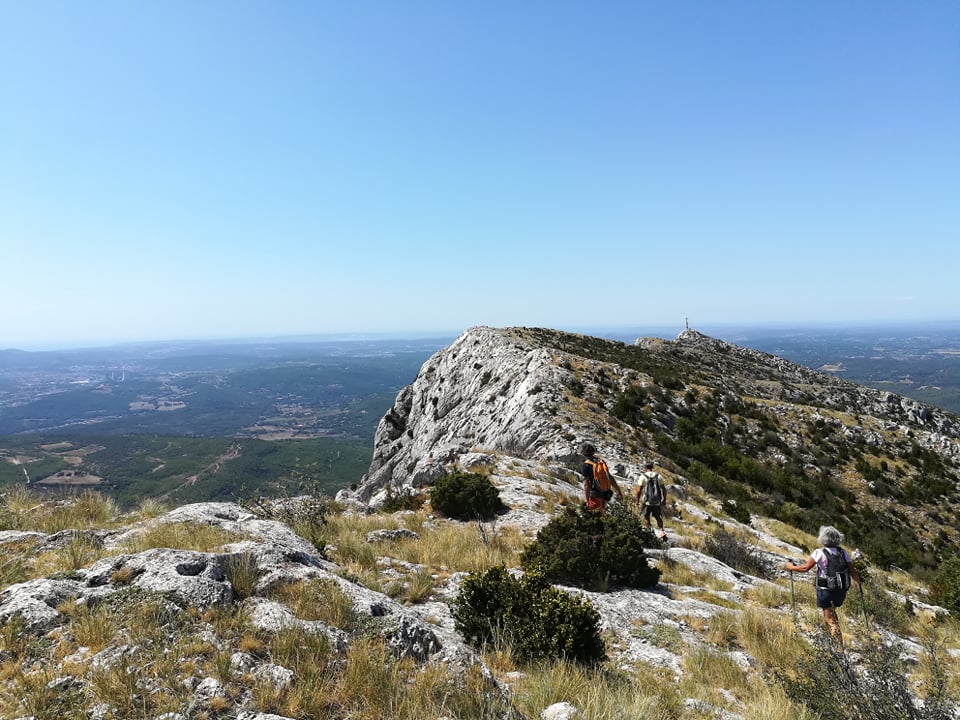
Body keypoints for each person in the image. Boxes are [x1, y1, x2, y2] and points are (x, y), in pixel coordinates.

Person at [785, 525, 861, 647]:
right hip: (841, 591)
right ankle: (827, 641)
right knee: (830, 614)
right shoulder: (842, 552)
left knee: (831, 620)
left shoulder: (819, 553)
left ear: (823, 538)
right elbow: (852, 571)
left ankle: (839, 650)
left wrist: (791, 567)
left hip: (826, 591)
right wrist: (859, 581)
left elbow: (805, 568)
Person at [580, 443, 624, 513]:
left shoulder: (586, 465)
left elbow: (586, 484)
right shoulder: (601, 462)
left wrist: (587, 500)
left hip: (594, 495)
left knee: (594, 517)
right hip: (605, 495)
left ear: (583, 453)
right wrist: (618, 490)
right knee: (602, 515)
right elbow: (609, 477)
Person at [633, 461, 668, 539]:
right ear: (652, 467)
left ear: (645, 468)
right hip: (657, 501)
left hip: (647, 502)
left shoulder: (643, 477)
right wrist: (664, 499)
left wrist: (637, 501)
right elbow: (664, 489)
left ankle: (649, 532)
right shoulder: (658, 476)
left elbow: (639, 491)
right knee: (658, 517)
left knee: (646, 516)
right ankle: (662, 531)